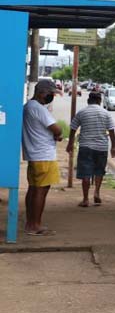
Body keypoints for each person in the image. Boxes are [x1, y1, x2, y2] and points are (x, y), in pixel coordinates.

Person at [22, 79, 62, 235]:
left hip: (34, 154)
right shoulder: (38, 108)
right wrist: (58, 135)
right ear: (41, 93)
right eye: (51, 93)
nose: (52, 96)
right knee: (41, 190)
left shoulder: (27, 107)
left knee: (33, 189)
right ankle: (35, 225)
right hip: (43, 155)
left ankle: (30, 223)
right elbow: (56, 128)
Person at [66, 91, 115, 207]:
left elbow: (73, 129)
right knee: (99, 171)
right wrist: (113, 147)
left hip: (86, 147)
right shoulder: (106, 113)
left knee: (85, 173)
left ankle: (85, 199)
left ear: (89, 100)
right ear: (99, 101)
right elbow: (112, 131)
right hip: (101, 147)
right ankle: (97, 193)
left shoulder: (82, 112)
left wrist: (70, 143)